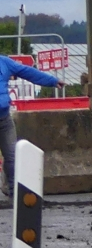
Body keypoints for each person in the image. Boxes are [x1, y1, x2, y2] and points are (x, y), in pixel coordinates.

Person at [1, 55, 61, 199]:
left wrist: (52, 81)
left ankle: (14, 193)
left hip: (3, 120)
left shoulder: (4, 62)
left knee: (12, 157)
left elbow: (27, 71)